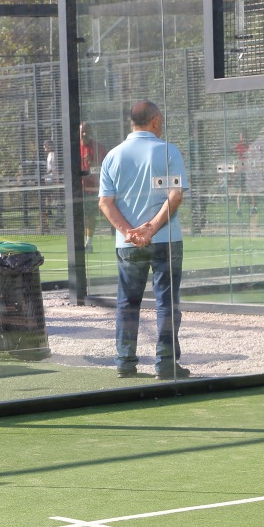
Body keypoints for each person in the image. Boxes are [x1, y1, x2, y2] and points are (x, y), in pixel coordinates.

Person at [97, 100, 190, 381]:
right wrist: (150, 229)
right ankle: (164, 364)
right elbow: (175, 196)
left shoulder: (112, 156)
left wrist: (129, 232)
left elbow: (105, 202)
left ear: (131, 123)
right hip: (166, 240)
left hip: (127, 245)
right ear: (155, 121)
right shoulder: (167, 151)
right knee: (166, 302)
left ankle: (125, 361)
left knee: (127, 303)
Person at [80, 122, 107, 252]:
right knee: (79, 217)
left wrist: (92, 163)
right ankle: (78, 244)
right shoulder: (73, 147)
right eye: (82, 131)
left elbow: (105, 167)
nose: (84, 133)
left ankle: (88, 244)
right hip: (78, 189)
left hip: (93, 189)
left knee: (90, 216)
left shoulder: (98, 147)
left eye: (87, 131)